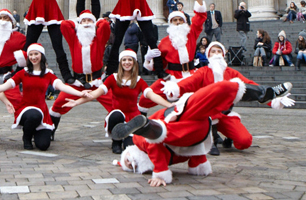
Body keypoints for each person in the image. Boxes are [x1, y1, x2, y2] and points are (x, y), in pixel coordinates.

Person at [111, 79, 293, 187]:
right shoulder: (169, 158)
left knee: (223, 88)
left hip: (182, 115)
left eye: (127, 161)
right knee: (218, 93)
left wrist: (160, 173)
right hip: (195, 130)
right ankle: (148, 127)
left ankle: (263, 94)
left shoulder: (140, 145)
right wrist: (162, 173)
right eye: (131, 165)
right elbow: (196, 156)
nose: (129, 162)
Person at [160, 41, 294, 156]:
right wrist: (174, 87)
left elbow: (250, 85)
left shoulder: (231, 73)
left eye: (219, 51)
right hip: (205, 116)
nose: (217, 54)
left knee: (244, 141)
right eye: (213, 51)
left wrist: (274, 101)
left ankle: (268, 96)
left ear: (223, 55)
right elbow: (188, 82)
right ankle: (210, 137)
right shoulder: (203, 72)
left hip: (225, 113)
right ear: (208, 55)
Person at [0, 43, 90, 151]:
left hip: (42, 112)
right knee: (33, 115)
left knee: (43, 145)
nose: (33, 57)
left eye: (36, 54)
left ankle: (35, 131)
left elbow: (62, 86)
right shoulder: (23, 73)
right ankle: (26, 136)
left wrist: (80, 93)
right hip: (26, 110)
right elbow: (4, 86)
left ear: (41, 55)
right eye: (31, 54)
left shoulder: (48, 74)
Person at [64, 50, 171, 154]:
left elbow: (152, 96)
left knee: (130, 148)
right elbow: (95, 94)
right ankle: (116, 141)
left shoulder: (139, 81)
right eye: (124, 60)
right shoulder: (112, 78)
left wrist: (170, 105)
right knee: (116, 115)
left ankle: (127, 138)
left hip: (133, 119)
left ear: (134, 62)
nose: (127, 62)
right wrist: (76, 102)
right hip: (117, 116)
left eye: (130, 59)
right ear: (120, 63)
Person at [138, 0, 207, 114]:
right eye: (175, 20)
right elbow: (159, 65)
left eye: (180, 20)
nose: (178, 22)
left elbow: (201, 16)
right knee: (145, 98)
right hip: (172, 77)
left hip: (192, 75)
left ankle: (213, 127)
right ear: (170, 23)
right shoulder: (164, 42)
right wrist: (148, 58)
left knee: (210, 98)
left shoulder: (191, 34)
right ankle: (141, 124)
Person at [49, 10, 113, 138]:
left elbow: (105, 25)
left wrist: (97, 21)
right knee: (57, 105)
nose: (86, 24)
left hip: (97, 83)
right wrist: (76, 22)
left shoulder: (99, 39)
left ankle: (115, 136)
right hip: (77, 83)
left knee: (116, 106)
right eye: (83, 21)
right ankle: (49, 131)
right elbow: (64, 25)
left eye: (89, 21)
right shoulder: (74, 38)